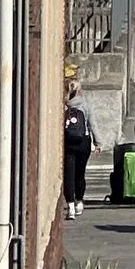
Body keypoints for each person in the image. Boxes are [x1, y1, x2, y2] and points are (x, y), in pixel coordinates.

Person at [62, 77, 92, 216]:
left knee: (69, 174)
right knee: (80, 174)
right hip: (83, 141)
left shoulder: (63, 105)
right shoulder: (85, 104)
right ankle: (79, 201)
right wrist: (98, 143)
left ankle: (70, 206)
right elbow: (92, 124)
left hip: (68, 142)